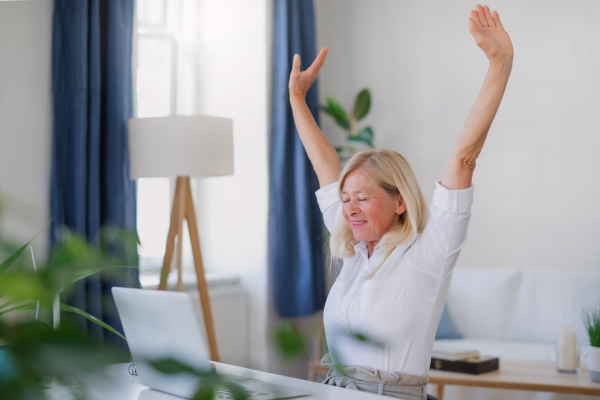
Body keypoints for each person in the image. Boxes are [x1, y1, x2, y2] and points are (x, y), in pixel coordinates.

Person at [288, 4, 513, 400]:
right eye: (345, 199)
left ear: (400, 203)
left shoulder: (429, 254)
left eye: (362, 198)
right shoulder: (355, 251)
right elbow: (326, 166)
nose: (350, 208)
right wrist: (297, 100)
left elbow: (463, 158)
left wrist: (500, 62)